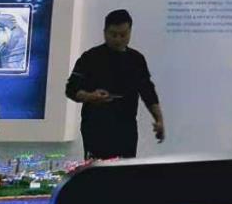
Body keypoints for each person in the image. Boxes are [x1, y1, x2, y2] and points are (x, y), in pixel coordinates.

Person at [65, 10, 165, 159]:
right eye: (113, 34)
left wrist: (159, 119)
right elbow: (71, 89)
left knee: (125, 170)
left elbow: (148, 92)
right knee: (99, 170)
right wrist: (90, 96)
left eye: (123, 35)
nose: (118, 39)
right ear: (105, 32)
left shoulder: (136, 60)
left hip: (126, 129)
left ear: (130, 32)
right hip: (96, 128)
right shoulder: (90, 57)